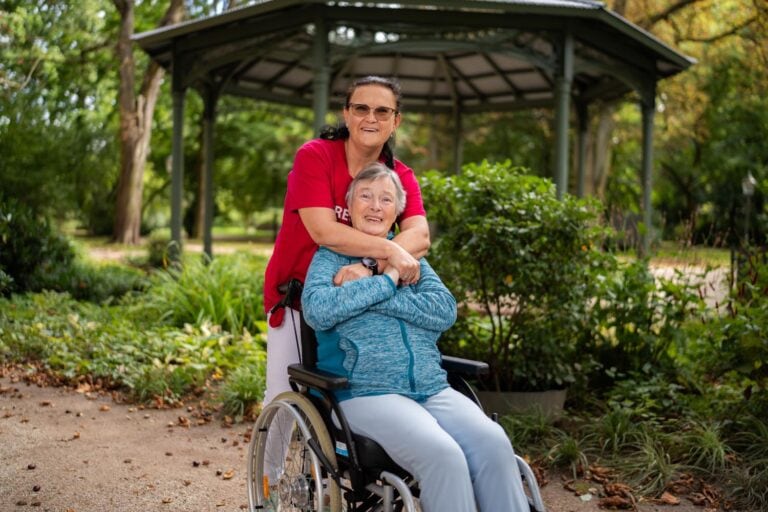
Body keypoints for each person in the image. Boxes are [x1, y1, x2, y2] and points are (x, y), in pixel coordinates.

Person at [302, 163, 530, 512]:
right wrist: (390, 280)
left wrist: (375, 285)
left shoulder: (410, 259)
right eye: (365, 196)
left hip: (430, 387)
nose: (375, 206)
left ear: (397, 212)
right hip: (367, 391)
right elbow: (318, 310)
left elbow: (443, 310)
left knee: (494, 443)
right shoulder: (330, 257)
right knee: (444, 455)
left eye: (386, 199)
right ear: (349, 207)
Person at [262, 76, 430, 410]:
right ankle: (275, 449)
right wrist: (391, 251)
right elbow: (325, 232)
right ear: (347, 114)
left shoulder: (399, 175)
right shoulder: (316, 156)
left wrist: (370, 267)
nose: (371, 118)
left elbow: (420, 236)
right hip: (297, 297)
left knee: (350, 400)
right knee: (285, 399)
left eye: (382, 111)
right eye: (361, 108)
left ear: (396, 121)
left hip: (362, 303)